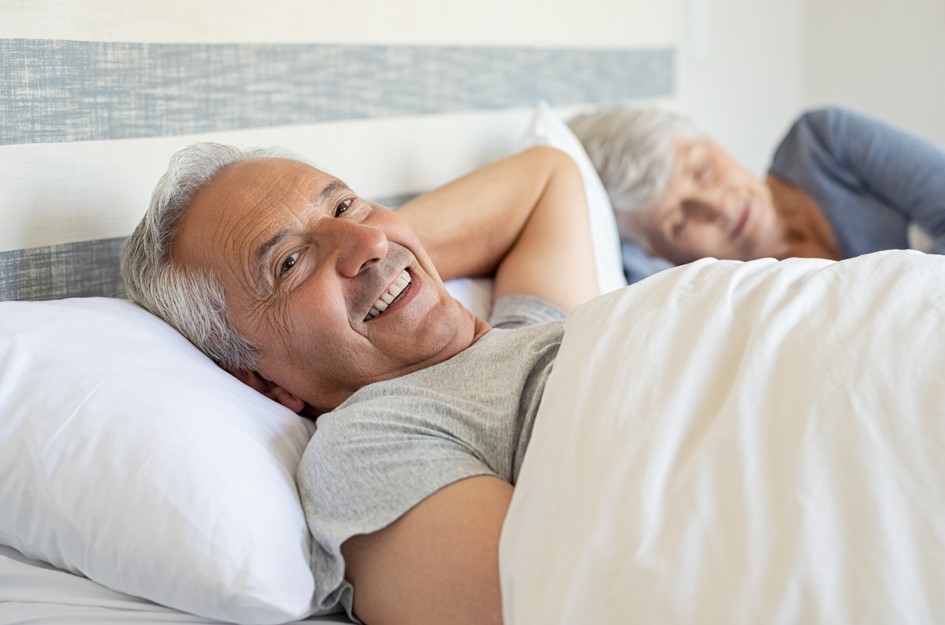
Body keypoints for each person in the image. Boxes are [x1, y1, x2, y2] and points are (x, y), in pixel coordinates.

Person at [121, 142, 602, 624]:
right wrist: (368, 260)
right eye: (288, 263)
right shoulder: (370, 444)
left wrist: (390, 248)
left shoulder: (529, 329)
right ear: (262, 383)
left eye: (345, 204)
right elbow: (548, 607)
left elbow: (548, 177)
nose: (369, 243)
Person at [567, 106, 945, 282]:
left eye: (702, 170)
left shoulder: (824, 142)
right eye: (679, 222)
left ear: (712, 142)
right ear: (660, 255)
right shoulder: (734, 304)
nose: (717, 207)